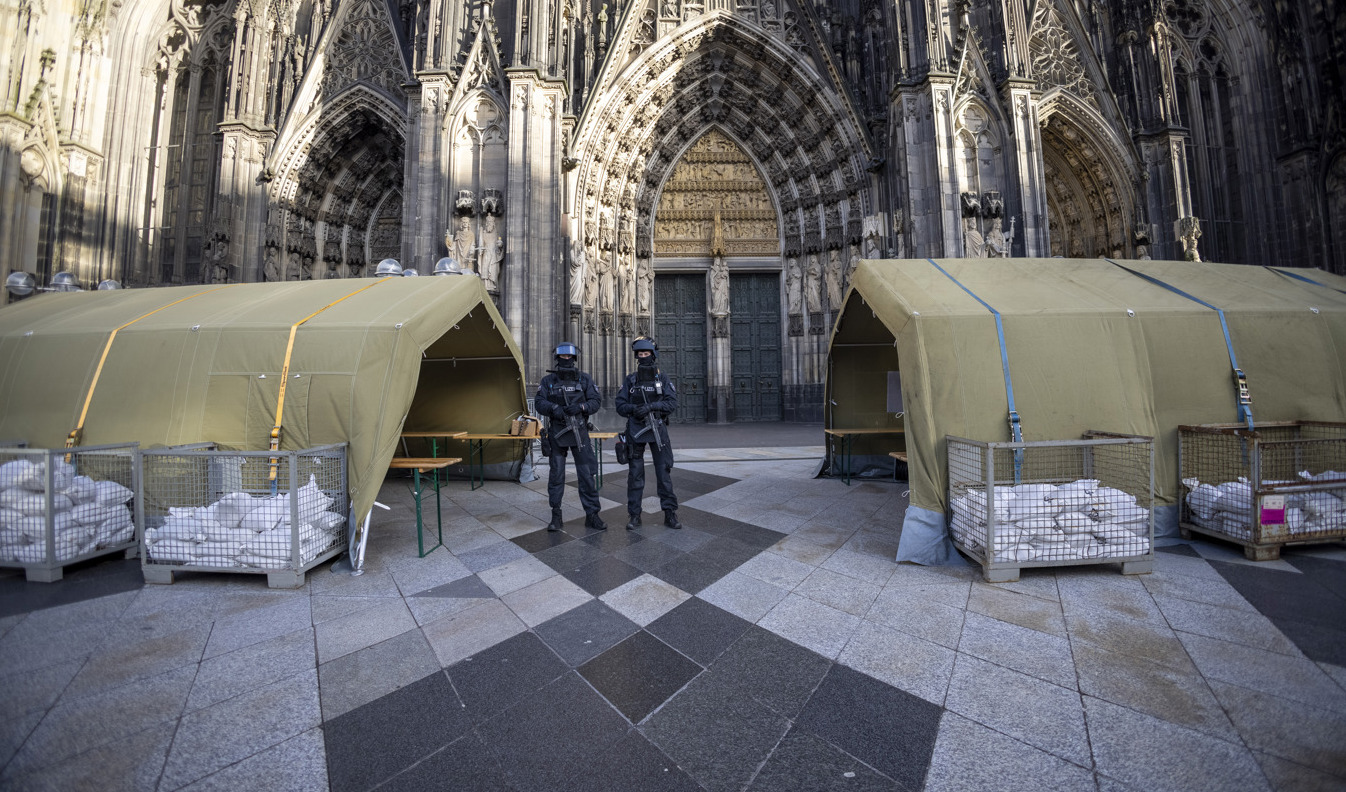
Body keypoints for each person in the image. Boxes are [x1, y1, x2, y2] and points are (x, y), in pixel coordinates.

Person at [534, 343, 606, 532]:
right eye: (562, 357)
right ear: (557, 359)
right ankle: (556, 515)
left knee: (587, 476)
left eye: (569, 357)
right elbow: (540, 402)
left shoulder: (584, 379)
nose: (566, 360)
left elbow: (596, 401)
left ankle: (592, 515)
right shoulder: (548, 381)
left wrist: (581, 408)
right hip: (557, 433)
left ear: (574, 359)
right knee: (556, 476)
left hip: (579, 433)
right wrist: (554, 408)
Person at [615, 337, 681, 529]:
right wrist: (634, 410)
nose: (643, 357)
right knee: (635, 475)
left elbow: (671, 403)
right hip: (636, 430)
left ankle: (670, 514)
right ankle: (634, 515)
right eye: (640, 354)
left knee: (663, 473)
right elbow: (620, 405)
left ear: (653, 355)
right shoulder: (631, 380)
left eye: (646, 354)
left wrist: (651, 407)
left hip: (657, 430)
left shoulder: (662, 378)